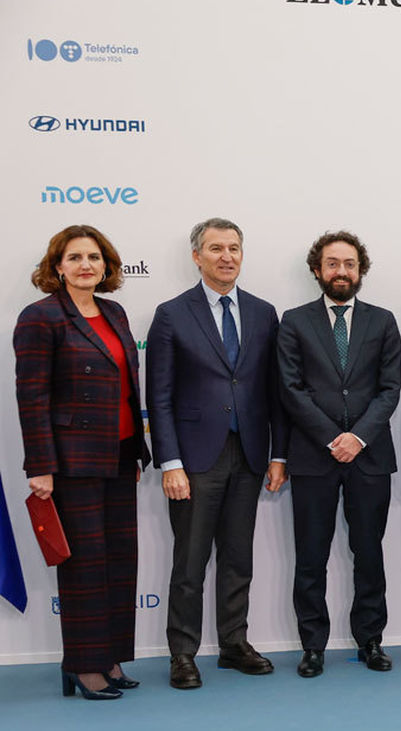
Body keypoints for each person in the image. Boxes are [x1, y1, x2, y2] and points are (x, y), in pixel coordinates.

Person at [146, 218, 287, 690]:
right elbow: (159, 395)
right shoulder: (171, 313)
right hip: (193, 459)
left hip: (248, 453)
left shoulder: (264, 312)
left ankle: (233, 644)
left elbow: (275, 392)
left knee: (238, 558)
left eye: (233, 248)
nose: (226, 256)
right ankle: (182, 653)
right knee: (189, 562)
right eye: (215, 248)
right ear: (197, 256)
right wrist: (170, 462)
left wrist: (278, 455)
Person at [14, 225, 151, 700]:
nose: (85, 265)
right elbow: (32, 397)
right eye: (74, 258)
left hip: (118, 455)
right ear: (57, 267)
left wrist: (135, 451)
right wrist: (40, 466)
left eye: (93, 257)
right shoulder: (40, 317)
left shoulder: (114, 311)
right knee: (84, 565)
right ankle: (82, 665)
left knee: (119, 560)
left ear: (106, 266)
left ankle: (109, 657)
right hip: (71, 462)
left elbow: (129, 388)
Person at [277, 231, 401, 677]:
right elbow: (291, 390)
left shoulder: (383, 321)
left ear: (360, 270)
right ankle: (313, 645)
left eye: (349, 264)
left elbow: (390, 391)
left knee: (369, 552)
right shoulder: (293, 321)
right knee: (311, 555)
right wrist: (333, 438)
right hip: (314, 457)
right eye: (333, 263)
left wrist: (358, 438)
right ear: (318, 270)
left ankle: (370, 639)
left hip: (369, 457)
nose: (342, 271)